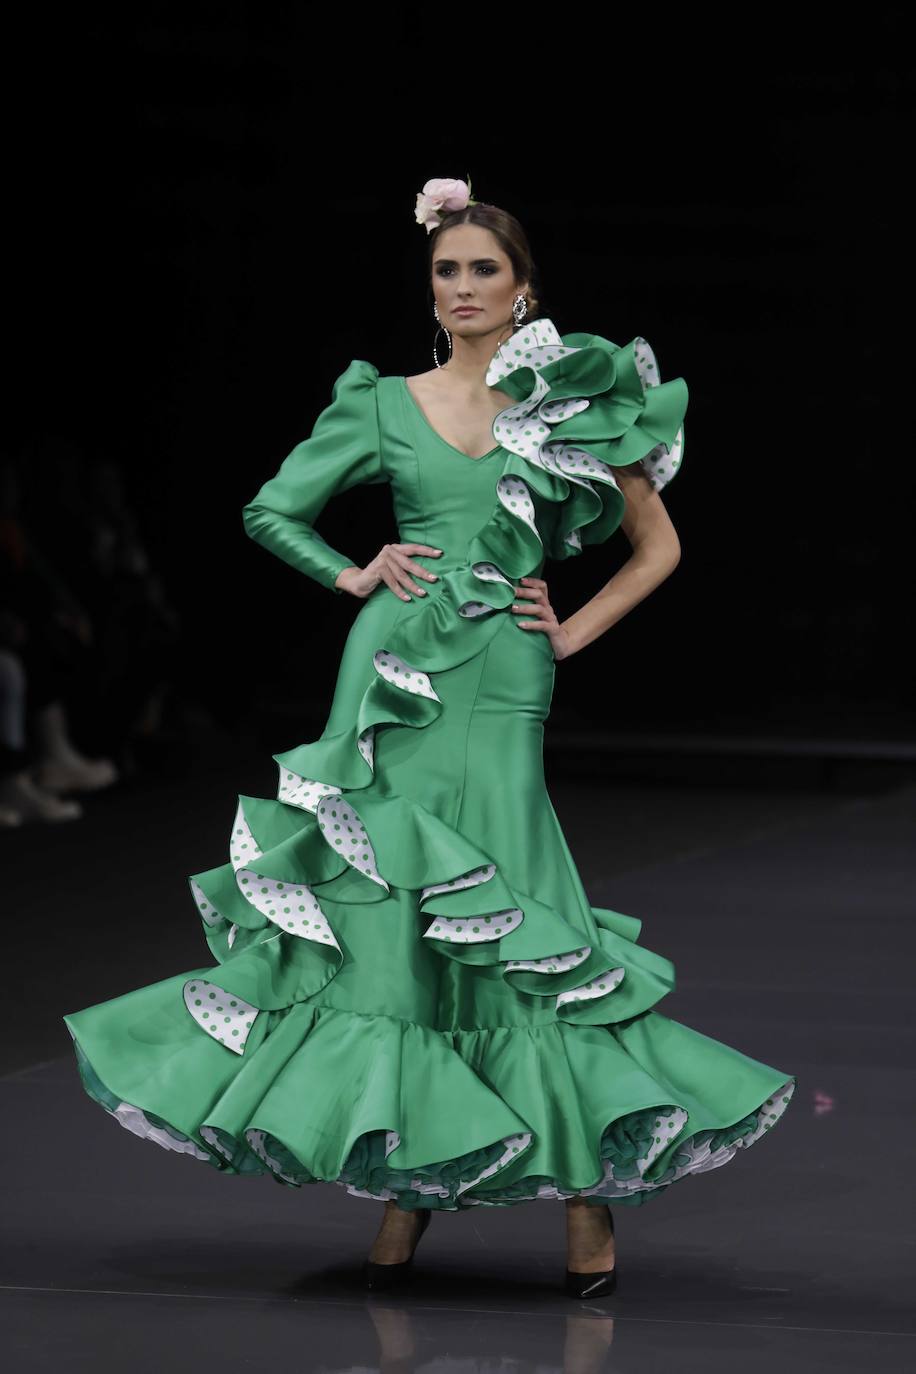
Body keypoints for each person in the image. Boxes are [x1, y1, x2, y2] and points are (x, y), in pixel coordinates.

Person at [62, 177, 796, 1298]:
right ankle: (409, 1181)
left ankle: (585, 1200)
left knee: (515, 902)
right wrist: (351, 572)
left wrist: (568, 632)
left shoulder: (569, 400)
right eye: (446, 270)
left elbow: (658, 546)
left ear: (523, 288)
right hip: (390, 678)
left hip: (502, 677)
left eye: (482, 270)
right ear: (430, 287)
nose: (462, 287)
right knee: (392, 917)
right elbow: (271, 509)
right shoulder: (382, 404)